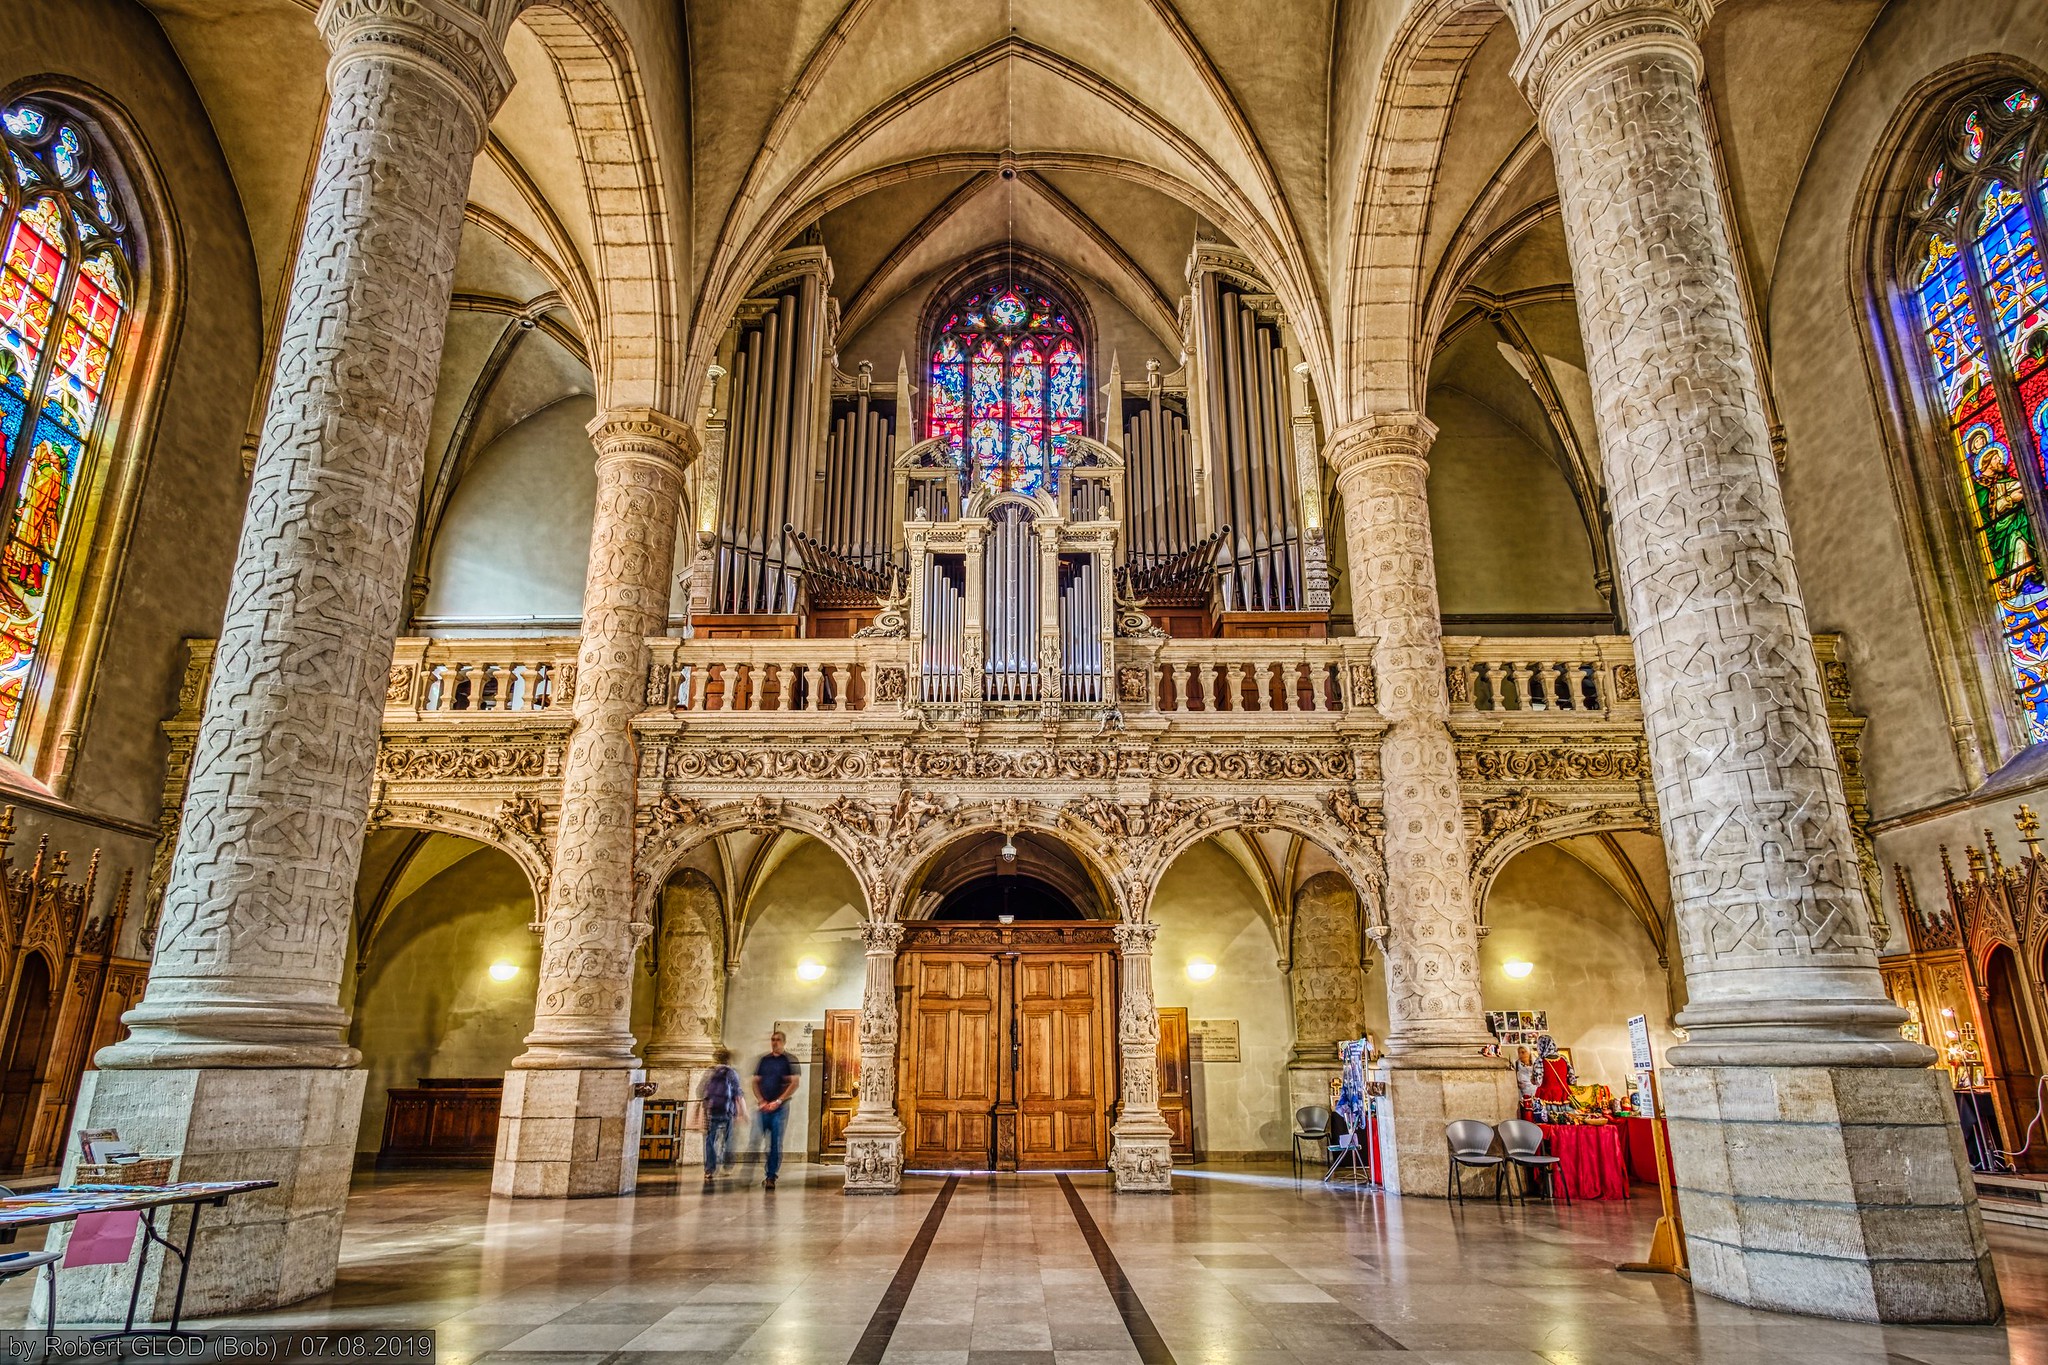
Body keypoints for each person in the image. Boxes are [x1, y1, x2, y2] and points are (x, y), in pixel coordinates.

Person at [753, 1030, 800, 1189]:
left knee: (774, 1143)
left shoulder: (789, 1060)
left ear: (784, 1042)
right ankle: (754, 1173)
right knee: (756, 1140)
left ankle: (771, 1176)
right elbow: (756, 1081)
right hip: (763, 1106)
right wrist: (761, 1101)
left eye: (778, 1040)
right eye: (773, 1039)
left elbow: (794, 1083)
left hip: (779, 1108)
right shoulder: (764, 1060)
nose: (774, 1042)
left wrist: (779, 1101)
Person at [697, 1048, 743, 1188]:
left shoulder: (710, 1072)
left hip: (712, 1110)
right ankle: (727, 1166)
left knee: (710, 1138)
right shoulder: (731, 1073)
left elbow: (700, 1091)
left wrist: (706, 1102)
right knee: (728, 1138)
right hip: (728, 1110)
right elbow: (737, 1092)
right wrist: (741, 1111)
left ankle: (709, 1169)